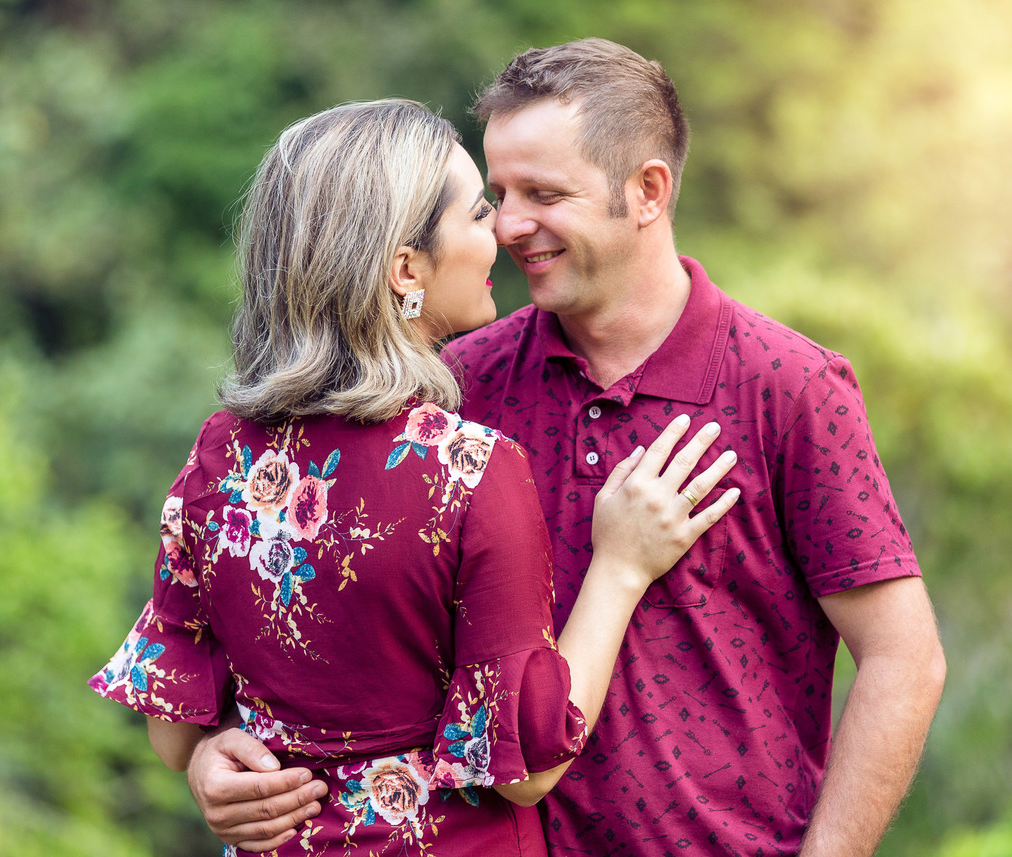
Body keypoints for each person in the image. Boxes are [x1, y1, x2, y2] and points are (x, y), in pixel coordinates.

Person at [186, 41, 947, 857]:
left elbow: (903, 659)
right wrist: (212, 751)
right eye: (498, 193)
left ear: (647, 191)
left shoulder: (790, 388)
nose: (511, 224)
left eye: (544, 194)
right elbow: (317, 615)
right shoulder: (455, 384)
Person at [89, 98, 742, 857]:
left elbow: (173, 733)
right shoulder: (472, 470)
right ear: (406, 269)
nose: (501, 229)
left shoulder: (221, 454)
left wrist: (218, 753)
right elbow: (525, 769)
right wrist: (622, 569)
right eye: (475, 215)